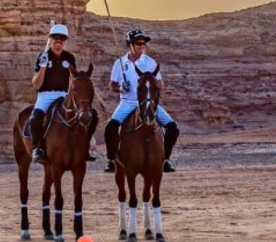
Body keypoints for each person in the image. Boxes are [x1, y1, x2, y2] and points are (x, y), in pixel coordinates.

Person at [103, 29, 179, 173]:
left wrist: (153, 82)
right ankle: (111, 160)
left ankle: (166, 160)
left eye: (143, 43)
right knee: (110, 127)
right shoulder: (119, 63)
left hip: (148, 102)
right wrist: (121, 88)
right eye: (138, 43)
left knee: (172, 127)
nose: (141, 46)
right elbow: (111, 86)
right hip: (128, 102)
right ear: (129, 45)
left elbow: (161, 85)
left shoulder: (150, 62)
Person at [30, 23, 98, 164]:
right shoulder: (43, 57)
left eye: (61, 38)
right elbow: (36, 84)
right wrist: (42, 67)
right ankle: (37, 148)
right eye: (55, 38)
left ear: (64, 41)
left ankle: (84, 148)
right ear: (51, 39)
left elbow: (74, 80)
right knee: (36, 117)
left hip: (63, 94)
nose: (58, 41)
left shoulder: (69, 58)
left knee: (88, 115)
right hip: (45, 96)